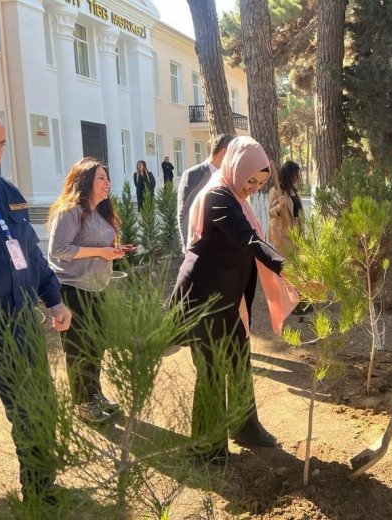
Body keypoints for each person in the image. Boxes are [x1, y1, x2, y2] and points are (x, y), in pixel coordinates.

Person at [171, 136, 297, 464]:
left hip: (229, 297)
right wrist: (291, 269)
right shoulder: (217, 196)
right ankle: (206, 447)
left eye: (260, 182)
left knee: (239, 360)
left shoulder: (233, 195)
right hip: (203, 298)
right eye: (250, 180)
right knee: (212, 369)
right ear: (235, 168)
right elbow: (250, 239)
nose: (253, 188)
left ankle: (245, 427)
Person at [0, 108, 72, 512]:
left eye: (0, 144)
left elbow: (32, 254)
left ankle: (39, 491)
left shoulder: (7, 192)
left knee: (37, 416)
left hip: (21, 332)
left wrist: (53, 299)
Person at [48, 158, 125, 424]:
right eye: (101, 178)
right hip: (72, 290)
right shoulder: (69, 211)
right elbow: (58, 250)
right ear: (85, 181)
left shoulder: (102, 212)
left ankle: (95, 395)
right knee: (78, 349)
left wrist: (114, 251)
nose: (108, 183)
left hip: (97, 288)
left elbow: (99, 248)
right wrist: (100, 252)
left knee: (95, 346)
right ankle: (82, 402)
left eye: (107, 178)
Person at [177, 134, 233, 251]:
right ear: (223, 153)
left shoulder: (229, 177)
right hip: (199, 246)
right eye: (233, 155)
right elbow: (184, 212)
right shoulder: (193, 174)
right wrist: (189, 247)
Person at [267, 161, 310, 315]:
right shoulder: (275, 191)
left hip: (296, 232)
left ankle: (298, 300)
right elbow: (271, 213)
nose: (297, 177)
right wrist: (279, 205)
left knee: (297, 267)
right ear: (289, 174)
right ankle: (290, 303)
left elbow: (298, 213)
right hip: (283, 235)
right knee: (288, 269)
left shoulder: (293, 191)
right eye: (295, 174)